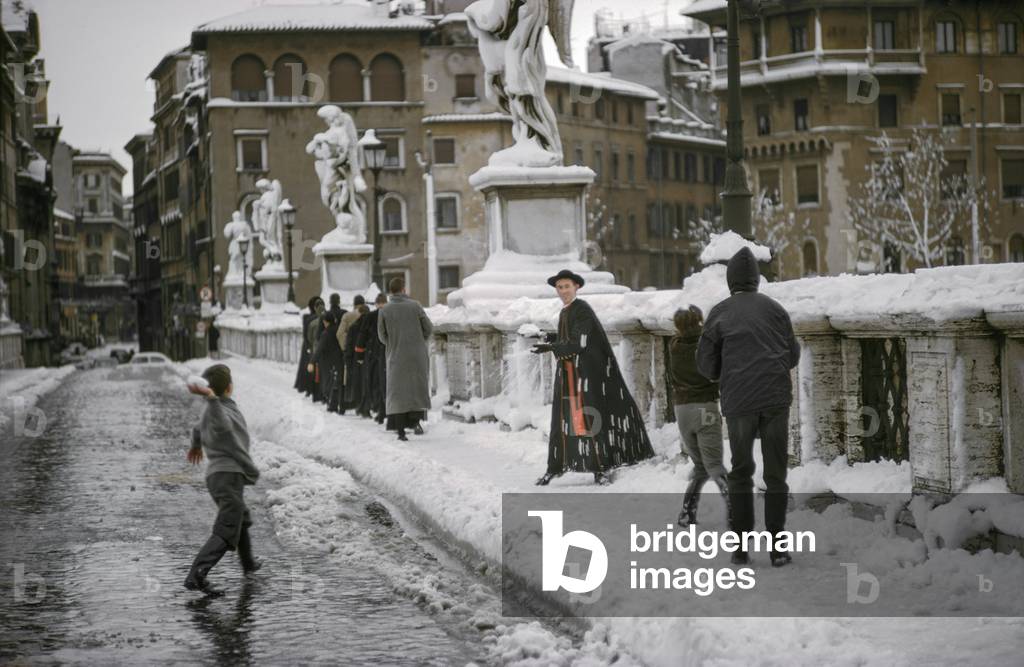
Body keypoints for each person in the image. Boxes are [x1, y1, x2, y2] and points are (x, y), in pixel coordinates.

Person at [697, 247, 800, 567]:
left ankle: (741, 546)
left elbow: (704, 364)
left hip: (739, 402)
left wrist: (723, 375)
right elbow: (792, 355)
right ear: (756, 279)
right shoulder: (776, 309)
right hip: (775, 401)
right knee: (776, 473)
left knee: (741, 472)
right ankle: (778, 546)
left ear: (730, 281)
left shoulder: (719, 312)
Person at [531, 269, 655, 486]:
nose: (563, 291)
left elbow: (580, 342)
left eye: (567, 286)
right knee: (565, 419)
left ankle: (600, 466)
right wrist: (547, 338)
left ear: (576, 287)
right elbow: (568, 337)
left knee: (590, 416)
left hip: (585, 375)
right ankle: (557, 465)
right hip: (571, 375)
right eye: (559, 287)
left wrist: (551, 346)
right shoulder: (566, 311)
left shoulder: (582, 309)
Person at [185, 364, 261, 593]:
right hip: (226, 475)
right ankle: (197, 574)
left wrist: (196, 445)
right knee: (228, 526)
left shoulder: (218, 408)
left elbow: (198, 429)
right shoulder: (218, 410)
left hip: (224, 476)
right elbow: (224, 427)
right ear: (229, 387)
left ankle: (248, 564)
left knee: (241, 517)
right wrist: (211, 399)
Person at [669, 305, 727, 528]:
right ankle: (737, 514)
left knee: (701, 466)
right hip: (705, 409)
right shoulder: (704, 348)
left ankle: (686, 513)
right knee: (715, 467)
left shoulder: (674, 347)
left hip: (682, 411)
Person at [377, 277, 432, 441]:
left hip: (396, 355)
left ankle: (400, 430)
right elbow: (428, 328)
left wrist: (394, 343)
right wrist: (417, 341)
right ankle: (416, 423)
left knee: (397, 392)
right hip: (416, 355)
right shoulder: (415, 306)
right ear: (403, 289)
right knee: (415, 389)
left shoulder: (384, 310)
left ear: (390, 291)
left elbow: (381, 336)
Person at [355, 292, 388, 422]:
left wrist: (360, 354)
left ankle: (380, 411)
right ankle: (387, 410)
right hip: (389, 353)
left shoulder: (370, 316)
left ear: (376, 304)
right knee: (387, 383)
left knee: (376, 383)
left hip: (374, 353)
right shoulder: (390, 315)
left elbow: (362, 336)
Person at [309, 311, 344, 413]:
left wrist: (312, 361)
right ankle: (337, 404)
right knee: (338, 381)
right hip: (339, 359)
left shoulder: (326, 333)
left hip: (328, 361)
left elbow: (319, 349)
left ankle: (332, 405)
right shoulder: (339, 330)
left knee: (329, 383)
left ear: (326, 322)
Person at [337, 295, 366, 414]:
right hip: (365, 352)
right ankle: (362, 406)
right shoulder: (368, 315)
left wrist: (346, 347)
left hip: (351, 352)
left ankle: (345, 405)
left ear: (354, 304)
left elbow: (339, 334)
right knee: (363, 379)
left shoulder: (348, 316)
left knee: (347, 379)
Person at [342, 303, 369, 414]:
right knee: (367, 382)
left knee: (357, 383)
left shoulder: (353, 327)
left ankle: (359, 406)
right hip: (368, 357)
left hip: (355, 359)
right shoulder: (371, 326)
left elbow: (348, 345)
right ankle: (366, 408)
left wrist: (347, 360)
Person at [294, 296, 321, 396]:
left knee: (308, 368)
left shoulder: (307, 318)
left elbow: (305, 334)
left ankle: (308, 388)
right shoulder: (320, 317)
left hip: (308, 345)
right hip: (315, 344)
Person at [305, 297, 327, 403]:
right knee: (324, 372)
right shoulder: (328, 321)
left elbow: (309, 338)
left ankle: (315, 394)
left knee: (315, 373)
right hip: (325, 351)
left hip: (315, 350)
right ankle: (324, 395)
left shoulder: (312, 323)